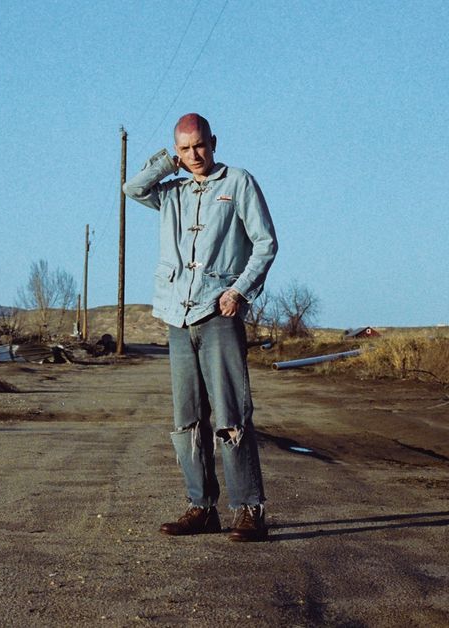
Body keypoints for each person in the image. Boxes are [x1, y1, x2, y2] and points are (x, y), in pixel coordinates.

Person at [122, 113, 277, 541]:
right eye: (185, 149)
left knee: (230, 415)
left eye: (200, 145)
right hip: (177, 315)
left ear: (214, 141)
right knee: (186, 418)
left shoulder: (238, 183)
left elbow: (266, 243)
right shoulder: (171, 193)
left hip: (218, 313)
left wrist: (240, 291)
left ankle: (249, 509)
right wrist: (166, 165)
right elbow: (132, 189)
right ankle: (201, 507)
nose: (195, 155)